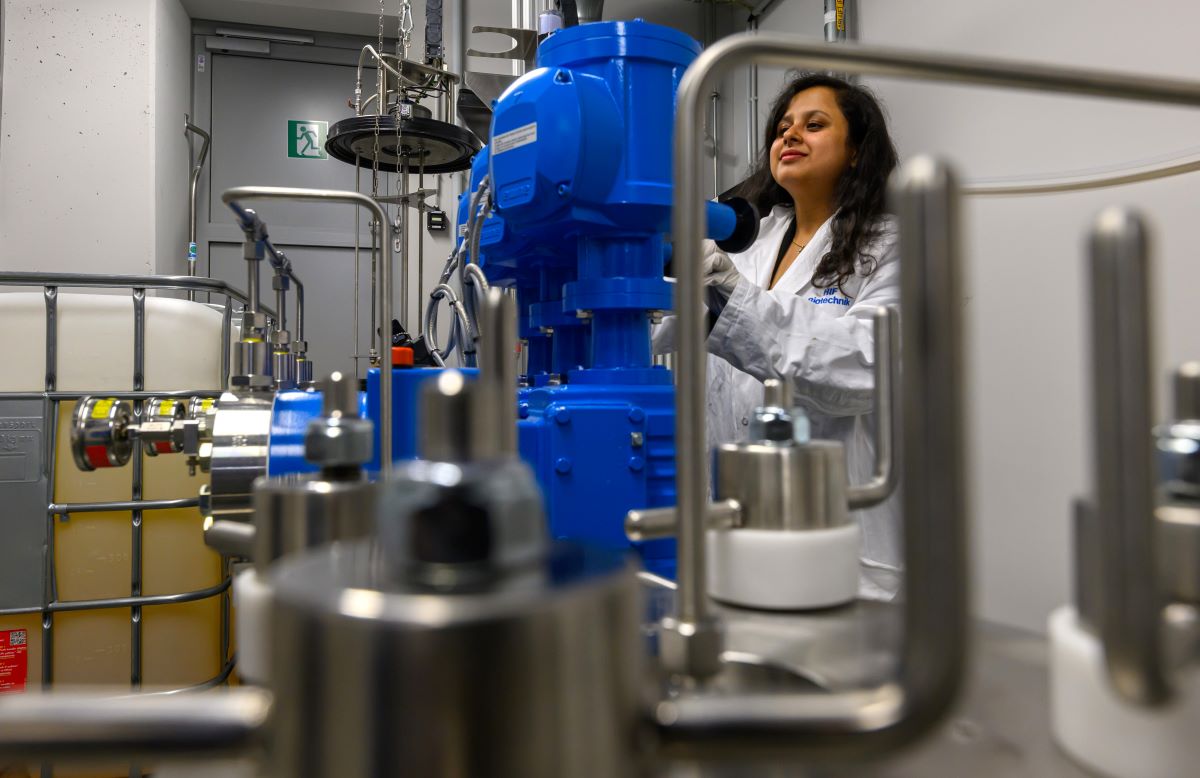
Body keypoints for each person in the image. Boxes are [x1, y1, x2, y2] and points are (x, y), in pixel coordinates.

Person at [657, 73, 902, 600]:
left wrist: (734, 297)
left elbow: (866, 367)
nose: (789, 135)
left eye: (814, 125)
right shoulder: (746, 242)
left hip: (842, 540)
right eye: (783, 127)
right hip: (735, 531)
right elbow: (662, 327)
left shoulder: (889, 246)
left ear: (856, 152)